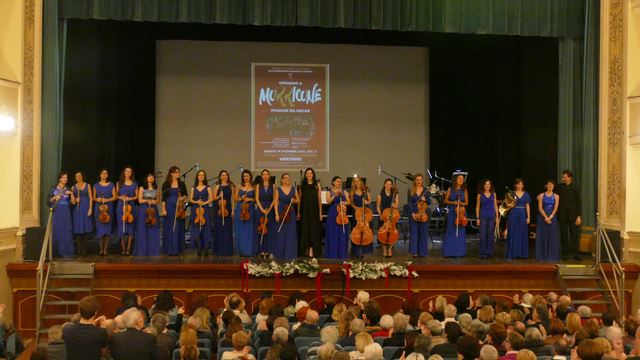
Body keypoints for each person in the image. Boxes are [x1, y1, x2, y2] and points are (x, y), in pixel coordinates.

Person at [62, 296, 108, 360]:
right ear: (95, 312)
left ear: (80, 311)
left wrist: (93, 325)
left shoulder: (66, 329)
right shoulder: (101, 332)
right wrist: (103, 327)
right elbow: (104, 354)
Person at [556, 170, 582, 260]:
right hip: (562, 215)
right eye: (562, 177)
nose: (563, 178)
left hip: (573, 215)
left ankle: (576, 254)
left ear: (569, 177)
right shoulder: (559, 187)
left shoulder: (575, 187)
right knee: (563, 235)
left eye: (565, 177)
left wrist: (579, 216)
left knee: (574, 234)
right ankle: (565, 254)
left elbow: (578, 202)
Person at [161, 166, 188, 256]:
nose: (178, 174)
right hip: (169, 207)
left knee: (178, 228)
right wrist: (164, 209)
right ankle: (169, 249)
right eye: (176, 172)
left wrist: (181, 198)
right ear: (171, 173)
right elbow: (163, 198)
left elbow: (185, 195)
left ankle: (177, 250)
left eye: (178, 172)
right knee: (170, 228)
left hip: (178, 207)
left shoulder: (181, 184)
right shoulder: (166, 184)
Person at [48, 172, 75, 257]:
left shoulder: (68, 189)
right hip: (57, 211)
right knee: (57, 230)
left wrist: (71, 194)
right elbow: (49, 201)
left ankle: (66, 251)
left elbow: (73, 202)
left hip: (66, 212)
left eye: (66, 178)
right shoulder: (53, 189)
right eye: (63, 177)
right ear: (59, 179)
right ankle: (56, 252)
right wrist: (55, 197)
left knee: (66, 230)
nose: (65, 179)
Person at [273, 173, 299, 260]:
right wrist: (276, 214)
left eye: (288, 178)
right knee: (281, 233)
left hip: (290, 213)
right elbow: (276, 202)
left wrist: (294, 200)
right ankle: (280, 253)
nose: (287, 179)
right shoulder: (278, 189)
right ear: (282, 180)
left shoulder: (293, 189)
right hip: (281, 212)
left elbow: (298, 200)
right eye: (285, 178)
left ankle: (290, 253)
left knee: (291, 233)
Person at [135, 173, 161, 256]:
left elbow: (157, 201)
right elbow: (139, 200)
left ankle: (153, 250)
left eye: (152, 176)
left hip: (153, 210)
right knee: (143, 230)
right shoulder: (142, 188)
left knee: (153, 229)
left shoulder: (157, 188)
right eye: (149, 176)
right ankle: (142, 250)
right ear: (146, 178)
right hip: (143, 209)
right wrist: (146, 200)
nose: (151, 178)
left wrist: (153, 201)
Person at [299, 167, 322, 258]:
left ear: (313, 175)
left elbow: (319, 200)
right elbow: (300, 200)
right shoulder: (302, 185)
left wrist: (320, 213)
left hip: (314, 211)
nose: (309, 175)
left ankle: (312, 250)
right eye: (307, 173)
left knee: (314, 231)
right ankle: (305, 250)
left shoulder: (317, 185)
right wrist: (298, 213)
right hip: (304, 211)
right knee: (305, 230)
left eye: (311, 173)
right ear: (305, 175)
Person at [325, 176, 350, 260]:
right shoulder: (329, 192)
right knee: (333, 233)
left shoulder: (344, 191)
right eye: (337, 181)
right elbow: (328, 202)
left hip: (342, 212)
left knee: (342, 233)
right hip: (333, 213)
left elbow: (349, 202)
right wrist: (334, 195)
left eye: (340, 181)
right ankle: (332, 253)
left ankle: (341, 253)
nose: (339, 183)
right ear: (333, 182)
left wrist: (344, 203)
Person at [505, 178, 531, 259]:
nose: (519, 186)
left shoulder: (526, 194)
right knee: (513, 232)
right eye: (518, 184)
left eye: (521, 184)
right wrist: (511, 205)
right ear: (515, 185)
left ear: (523, 185)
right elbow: (507, 204)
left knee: (522, 233)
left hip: (522, 214)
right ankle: (513, 253)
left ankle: (521, 253)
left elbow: (527, 205)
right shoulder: (511, 193)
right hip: (514, 213)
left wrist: (528, 217)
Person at [443, 174, 467, 257]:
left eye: (462, 179)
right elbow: (445, 201)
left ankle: (459, 252)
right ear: (456, 180)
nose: (461, 180)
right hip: (453, 212)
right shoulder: (451, 189)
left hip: (461, 212)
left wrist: (461, 203)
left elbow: (466, 202)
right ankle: (449, 252)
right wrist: (453, 202)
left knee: (460, 232)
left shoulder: (464, 190)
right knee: (451, 231)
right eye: (459, 178)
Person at [190, 170, 213, 256]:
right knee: (197, 228)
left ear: (204, 177)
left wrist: (203, 203)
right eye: (199, 175)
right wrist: (197, 202)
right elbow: (191, 199)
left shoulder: (208, 187)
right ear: (197, 176)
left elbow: (211, 199)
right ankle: (199, 247)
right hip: (196, 209)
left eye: (203, 175)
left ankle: (206, 247)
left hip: (205, 209)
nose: (201, 176)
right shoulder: (193, 187)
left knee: (205, 228)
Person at [94, 169, 116, 256]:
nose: (104, 174)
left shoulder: (111, 185)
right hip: (99, 208)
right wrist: (97, 199)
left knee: (107, 229)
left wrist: (107, 199)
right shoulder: (95, 185)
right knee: (100, 229)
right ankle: (101, 249)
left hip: (108, 208)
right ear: (100, 175)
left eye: (105, 173)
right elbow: (93, 197)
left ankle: (105, 249)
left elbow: (114, 197)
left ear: (107, 175)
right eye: (102, 173)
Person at [235, 169, 258, 257]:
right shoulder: (239, 186)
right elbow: (235, 199)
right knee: (241, 230)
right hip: (240, 210)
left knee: (249, 230)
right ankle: (242, 250)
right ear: (242, 177)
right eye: (244, 176)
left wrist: (249, 199)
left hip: (250, 210)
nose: (246, 178)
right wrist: (241, 198)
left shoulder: (254, 186)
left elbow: (256, 199)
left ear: (250, 177)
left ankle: (248, 250)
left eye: (247, 176)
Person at [536, 180, 560, 261]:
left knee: (552, 236)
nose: (550, 186)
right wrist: (546, 217)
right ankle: (542, 255)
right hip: (542, 217)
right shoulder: (541, 195)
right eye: (549, 184)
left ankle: (551, 256)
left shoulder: (556, 196)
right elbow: (540, 208)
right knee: (543, 236)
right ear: (546, 185)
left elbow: (556, 208)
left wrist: (550, 217)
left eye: (552, 184)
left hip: (552, 217)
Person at [116, 166, 138, 256]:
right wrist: (121, 197)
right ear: (124, 172)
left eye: (129, 171)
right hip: (121, 206)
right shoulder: (119, 183)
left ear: (131, 173)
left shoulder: (135, 184)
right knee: (122, 228)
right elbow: (116, 195)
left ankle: (128, 249)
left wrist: (130, 198)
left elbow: (136, 196)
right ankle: (123, 249)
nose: (128, 173)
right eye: (126, 171)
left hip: (131, 206)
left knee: (130, 228)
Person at [70, 171, 93, 256]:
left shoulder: (88, 185)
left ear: (82, 176)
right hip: (77, 210)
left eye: (79, 176)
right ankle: (79, 250)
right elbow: (72, 201)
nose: (78, 177)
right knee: (78, 229)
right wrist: (75, 200)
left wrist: (90, 209)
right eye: (76, 176)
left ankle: (84, 250)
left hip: (86, 208)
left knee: (85, 230)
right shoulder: (73, 188)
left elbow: (91, 198)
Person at [409, 174, 431, 258]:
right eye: (417, 180)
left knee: (423, 233)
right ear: (415, 181)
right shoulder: (411, 190)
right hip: (414, 213)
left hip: (423, 213)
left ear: (422, 181)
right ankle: (414, 252)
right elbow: (410, 203)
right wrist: (412, 213)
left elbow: (429, 202)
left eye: (420, 180)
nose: (419, 181)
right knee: (414, 233)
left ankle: (422, 252)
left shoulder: (426, 190)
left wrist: (425, 199)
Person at [350, 176, 373, 258]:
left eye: (358, 181)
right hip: (357, 214)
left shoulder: (366, 190)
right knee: (356, 231)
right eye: (355, 181)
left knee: (365, 231)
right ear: (353, 183)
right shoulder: (352, 192)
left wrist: (366, 202)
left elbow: (370, 200)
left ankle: (364, 250)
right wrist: (355, 207)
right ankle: (356, 251)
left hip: (365, 213)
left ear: (361, 182)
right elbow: (351, 203)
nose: (357, 183)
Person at [212, 170, 234, 256]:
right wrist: (219, 196)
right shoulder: (217, 186)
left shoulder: (231, 186)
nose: (225, 177)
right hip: (219, 209)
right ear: (220, 177)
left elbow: (232, 199)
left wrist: (232, 210)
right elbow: (214, 198)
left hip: (227, 209)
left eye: (226, 175)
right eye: (223, 175)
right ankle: (218, 250)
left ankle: (227, 250)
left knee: (227, 230)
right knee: (219, 229)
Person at [475, 179, 498, 259]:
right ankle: (482, 253)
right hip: (483, 216)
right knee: (483, 235)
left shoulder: (494, 194)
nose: (487, 186)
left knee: (490, 235)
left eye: (488, 184)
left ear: (490, 185)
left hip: (492, 216)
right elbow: (477, 207)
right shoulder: (480, 195)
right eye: (485, 184)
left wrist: (497, 218)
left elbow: (495, 206)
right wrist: (477, 218)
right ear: (483, 185)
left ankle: (489, 252)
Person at [377, 179, 399, 258]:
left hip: (392, 216)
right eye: (387, 184)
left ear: (392, 185)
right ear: (384, 184)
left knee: (393, 232)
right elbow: (378, 206)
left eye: (390, 184)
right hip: (384, 215)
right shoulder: (380, 194)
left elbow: (397, 205)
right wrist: (380, 215)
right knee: (383, 233)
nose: (388, 185)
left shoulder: (395, 194)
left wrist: (394, 205)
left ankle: (389, 249)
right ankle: (384, 250)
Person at [256, 169, 275, 258]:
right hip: (261, 208)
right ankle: (261, 250)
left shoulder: (273, 186)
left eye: (267, 174)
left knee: (270, 230)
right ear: (261, 176)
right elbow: (257, 199)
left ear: (269, 176)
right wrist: (262, 209)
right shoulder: (258, 186)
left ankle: (269, 250)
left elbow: (274, 199)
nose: (265, 175)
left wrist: (269, 209)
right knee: (261, 229)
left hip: (270, 209)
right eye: (263, 174)